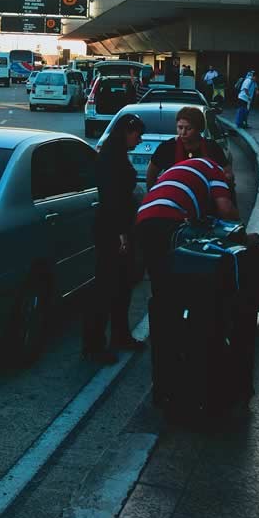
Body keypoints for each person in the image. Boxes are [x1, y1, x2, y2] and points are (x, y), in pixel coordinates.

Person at [82, 113, 148, 365]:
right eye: (137, 134)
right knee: (106, 287)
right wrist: (121, 233)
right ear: (126, 132)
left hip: (119, 227)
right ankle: (94, 344)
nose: (140, 140)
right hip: (112, 229)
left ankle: (120, 335)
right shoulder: (111, 159)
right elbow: (112, 199)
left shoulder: (115, 154)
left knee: (122, 286)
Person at [135, 156, 239, 295]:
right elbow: (226, 209)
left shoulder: (184, 168)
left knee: (158, 282)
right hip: (170, 219)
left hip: (143, 219)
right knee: (178, 279)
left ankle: (161, 314)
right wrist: (241, 230)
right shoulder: (216, 171)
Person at [145, 105, 233, 190]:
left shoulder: (211, 147)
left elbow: (227, 172)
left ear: (199, 128)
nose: (183, 133)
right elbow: (151, 173)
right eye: (180, 127)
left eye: (188, 128)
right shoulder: (167, 147)